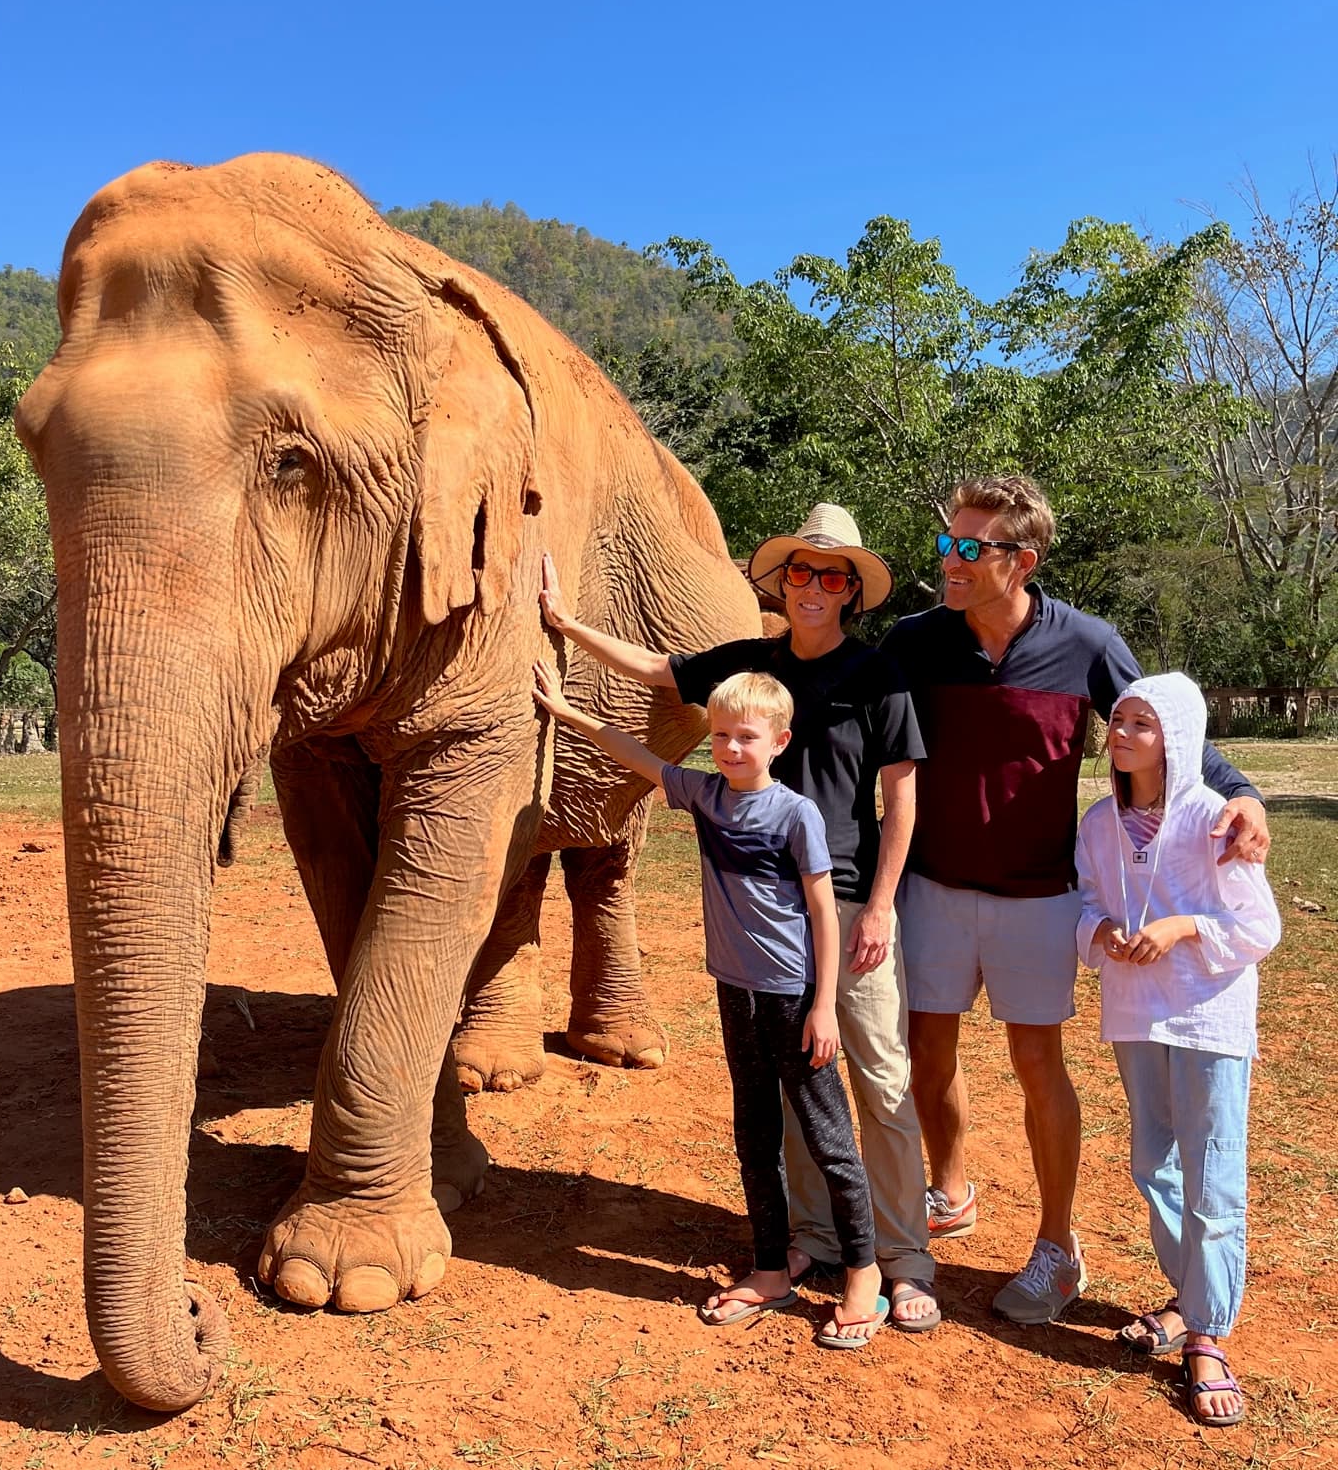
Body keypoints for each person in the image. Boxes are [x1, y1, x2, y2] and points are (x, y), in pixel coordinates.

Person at [539, 505, 938, 1332]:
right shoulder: (750, 671)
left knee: (877, 1080)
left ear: (852, 591)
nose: (815, 588)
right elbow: (657, 674)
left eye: (833, 577)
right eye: (801, 572)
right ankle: (812, 1238)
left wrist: (884, 908)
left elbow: (901, 799)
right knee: (792, 1096)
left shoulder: (879, 676)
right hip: (761, 928)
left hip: (847, 901)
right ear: (783, 582)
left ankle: (901, 1259)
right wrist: (566, 625)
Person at [882, 475, 1271, 1323]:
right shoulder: (916, 641)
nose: (947, 559)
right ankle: (949, 1191)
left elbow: (1161, 723)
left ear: (1020, 561)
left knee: (1035, 1064)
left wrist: (1242, 792)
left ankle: (1058, 1247)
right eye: (948, 542)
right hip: (932, 888)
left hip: (1038, 896)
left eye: (967, 547)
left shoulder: (1086, 643)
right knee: (927, 1052)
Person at [531, 661, 887, 1348]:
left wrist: (822, 1006)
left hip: (792, 997)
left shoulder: (795, 814)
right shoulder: (705, 795)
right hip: (735, 991)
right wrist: (568, 713)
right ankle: (768, 1269)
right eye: (720, 736)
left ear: (780, 741)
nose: (730, 749)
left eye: (746, 737)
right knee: (754, 1130)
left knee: (827, 1137)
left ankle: (864, 1273)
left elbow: (823, 911)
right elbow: (637, 754)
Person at [1076, 674, 1279, 1425]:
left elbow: (1260, 930)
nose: (1122, 734)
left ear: (1178, 739)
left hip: (1208, 1018)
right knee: (1151, 1162)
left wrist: (1182, 929)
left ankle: (1206, 1334)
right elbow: (1088, 904)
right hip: (1135, 1014)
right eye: (1119, 720)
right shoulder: (1099, 823)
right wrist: (1099, 935)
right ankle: (1192, 1296)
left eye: (1142, 724)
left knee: (1212, 1172)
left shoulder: (1211, 821)